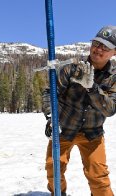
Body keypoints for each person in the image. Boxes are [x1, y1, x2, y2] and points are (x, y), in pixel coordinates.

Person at [42, 25, 116, 196]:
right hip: (63, 129)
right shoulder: (71, 68)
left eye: (105, 47)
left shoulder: (113, 78)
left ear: (114, 52)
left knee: (98, 177)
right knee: (53, 170)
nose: (98, 49)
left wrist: (92, 88)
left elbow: (110, 109)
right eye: (96, 44)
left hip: (93, 134)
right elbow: (49, 92)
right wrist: (50, 115)